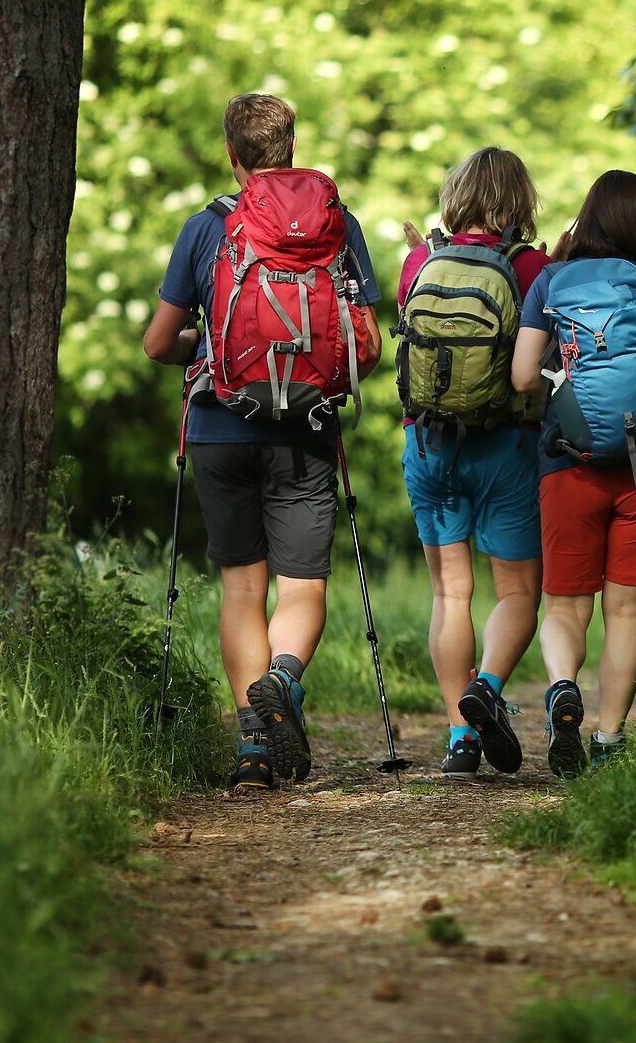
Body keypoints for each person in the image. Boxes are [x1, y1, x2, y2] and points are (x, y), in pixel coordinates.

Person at [143, 92, 384, 792]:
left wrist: (209, 343)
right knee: (302, 584)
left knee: (242, 588)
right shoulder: (339, 225)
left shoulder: (205, 227)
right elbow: (363, 346)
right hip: (305, 430)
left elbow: (159, 343)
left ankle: (252, 744)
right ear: (291, 146)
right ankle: (283, 680)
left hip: (220, 426)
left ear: (231, 152)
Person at [511, 170, 636, 777]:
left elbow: (521, 379)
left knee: (566, 606)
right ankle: (609, 740)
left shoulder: (550, 279)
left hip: (567, 465)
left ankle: (563, 690)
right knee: (626, 609)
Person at [397, 148, 550, 777]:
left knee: (448, 592)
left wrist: (416, 256)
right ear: (521, 202)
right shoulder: (532, 267)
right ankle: (485, 686)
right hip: (505, 448)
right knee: (517, 591)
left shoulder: (421, 261)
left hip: (429, 445)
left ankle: (460, 738)